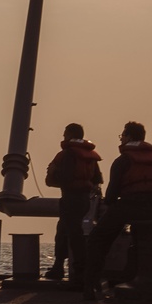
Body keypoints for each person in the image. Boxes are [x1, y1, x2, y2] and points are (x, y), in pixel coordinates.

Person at [84, 121, 152, 301]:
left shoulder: (123, 161)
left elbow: (112, 196)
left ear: (128, 137)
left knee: (97, 239)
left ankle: (91, 286)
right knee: (142, 245)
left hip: (129, 206)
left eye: (123, 135)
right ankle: (137, 282)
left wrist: (110, 205)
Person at [43, 123, 103, 287]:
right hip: (84, 199)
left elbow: (65, 177)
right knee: (64, 231)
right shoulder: (89, 155)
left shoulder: (69, 154)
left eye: (65, 134)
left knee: (72, 234)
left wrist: (53, 172)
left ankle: (79, 271)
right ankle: (60, 267)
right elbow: (98, 179)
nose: (63, 138)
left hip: (71, 198)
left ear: (69, 135)